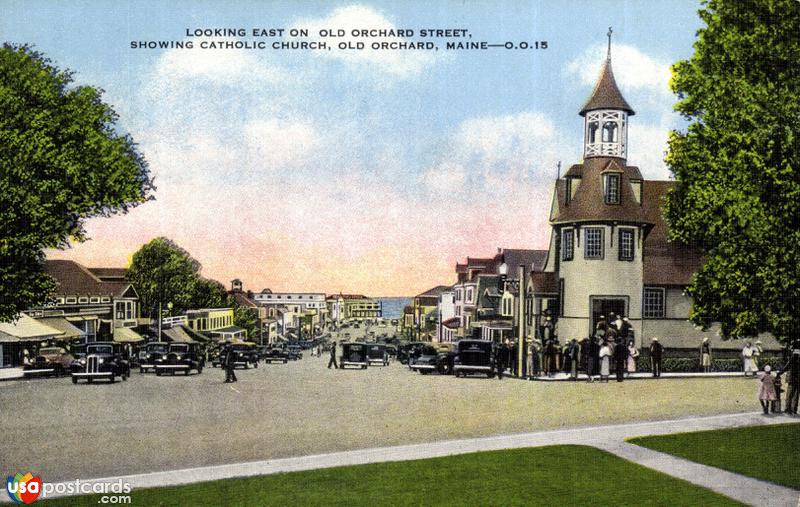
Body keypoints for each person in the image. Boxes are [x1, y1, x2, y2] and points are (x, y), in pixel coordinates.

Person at [778, 347, 800, 415]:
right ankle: (794, 410)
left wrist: (779, 373)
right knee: (796, 396)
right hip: (798, 380)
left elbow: (785, 368)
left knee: (789, 395)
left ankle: (788, 409)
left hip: (791, 380)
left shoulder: (791, 361)